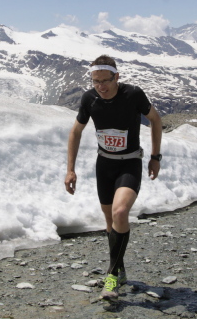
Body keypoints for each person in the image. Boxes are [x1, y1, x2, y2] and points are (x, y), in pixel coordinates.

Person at [64, 55, 162, 301]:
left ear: (116, 77)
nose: (100, 86)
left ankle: (112, 276)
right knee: (109, 222)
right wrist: (70, 169)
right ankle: (119, 269)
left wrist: (155, 157)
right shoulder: (89, 99)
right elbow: (75, 132)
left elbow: (155, 119)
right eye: (95, 81)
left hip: (130, 163)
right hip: (104, 165)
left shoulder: (133, 95)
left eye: (105, 81)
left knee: (120, 212)